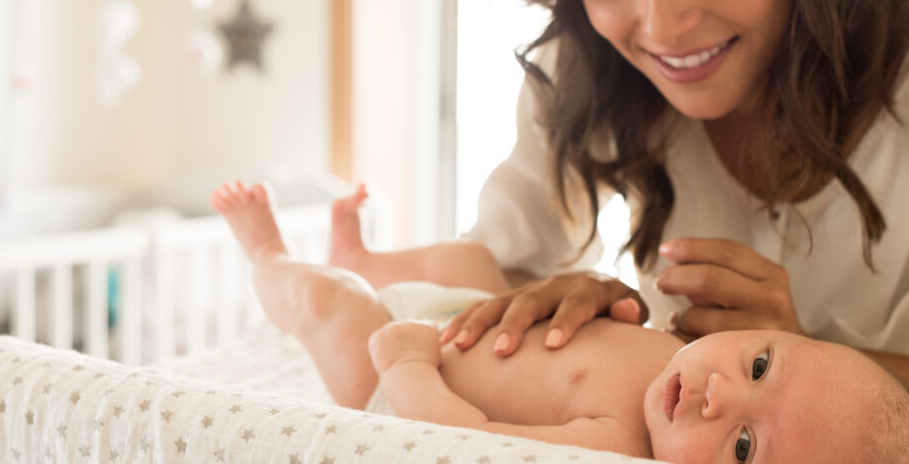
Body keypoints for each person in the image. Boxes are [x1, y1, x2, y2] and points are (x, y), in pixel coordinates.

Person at [413, 0, 909, 386]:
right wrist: (585, 313)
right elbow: (495, 275)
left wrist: (807, 365)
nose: (662, 26)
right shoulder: (590, 59)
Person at [211, 180, 909, 463]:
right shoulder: (681, 352)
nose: (718, 394)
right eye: (759, 365)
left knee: (328, 305)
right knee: (470, 256)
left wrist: (404, 366)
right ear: (776, 328)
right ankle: (366, 254)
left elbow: (470, 439)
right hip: (477, 320)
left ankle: (268, 253)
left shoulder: (616, 447)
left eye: (743, 448)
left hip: (400, 371)